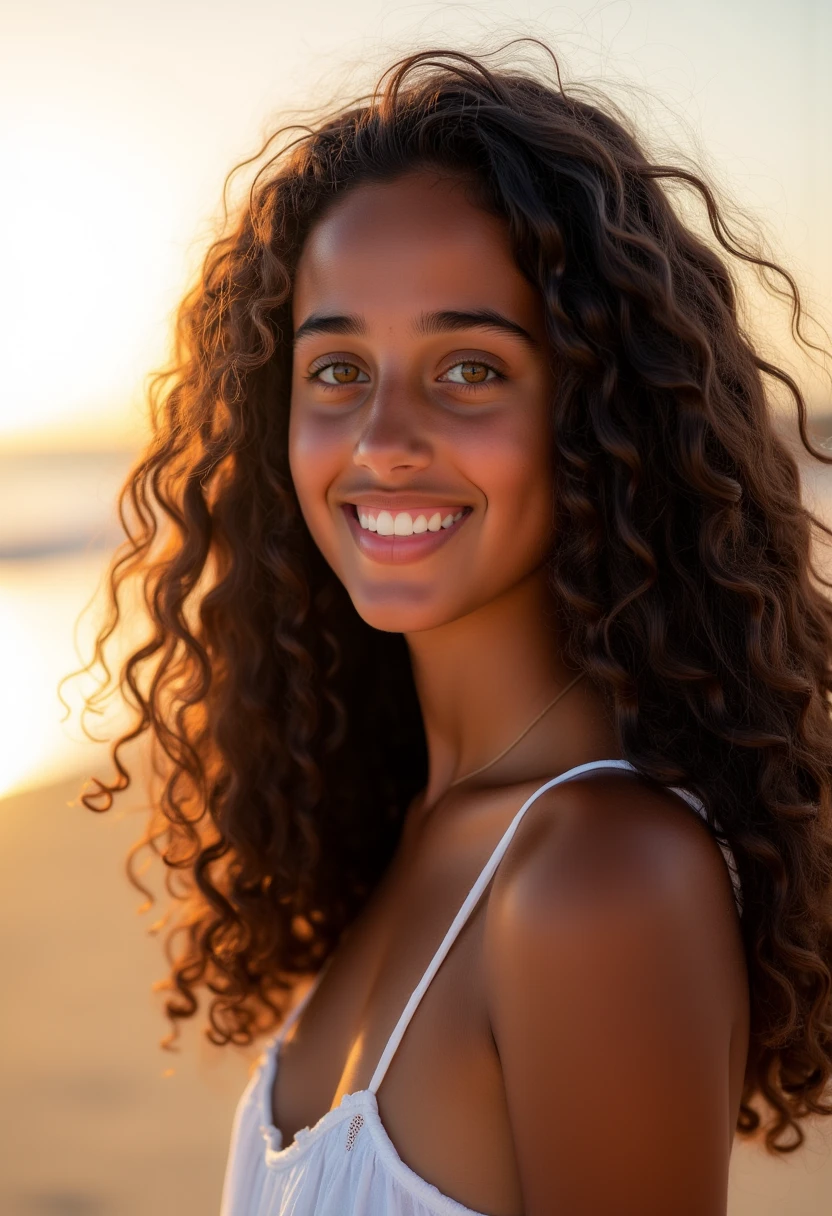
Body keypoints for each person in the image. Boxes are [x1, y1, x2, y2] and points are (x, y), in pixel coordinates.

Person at [81, 43, 832, 1216]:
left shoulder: (596, 880)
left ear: (595, 409)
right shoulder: (413, 820)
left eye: (469, 366)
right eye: (337, 367)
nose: (381, 436)